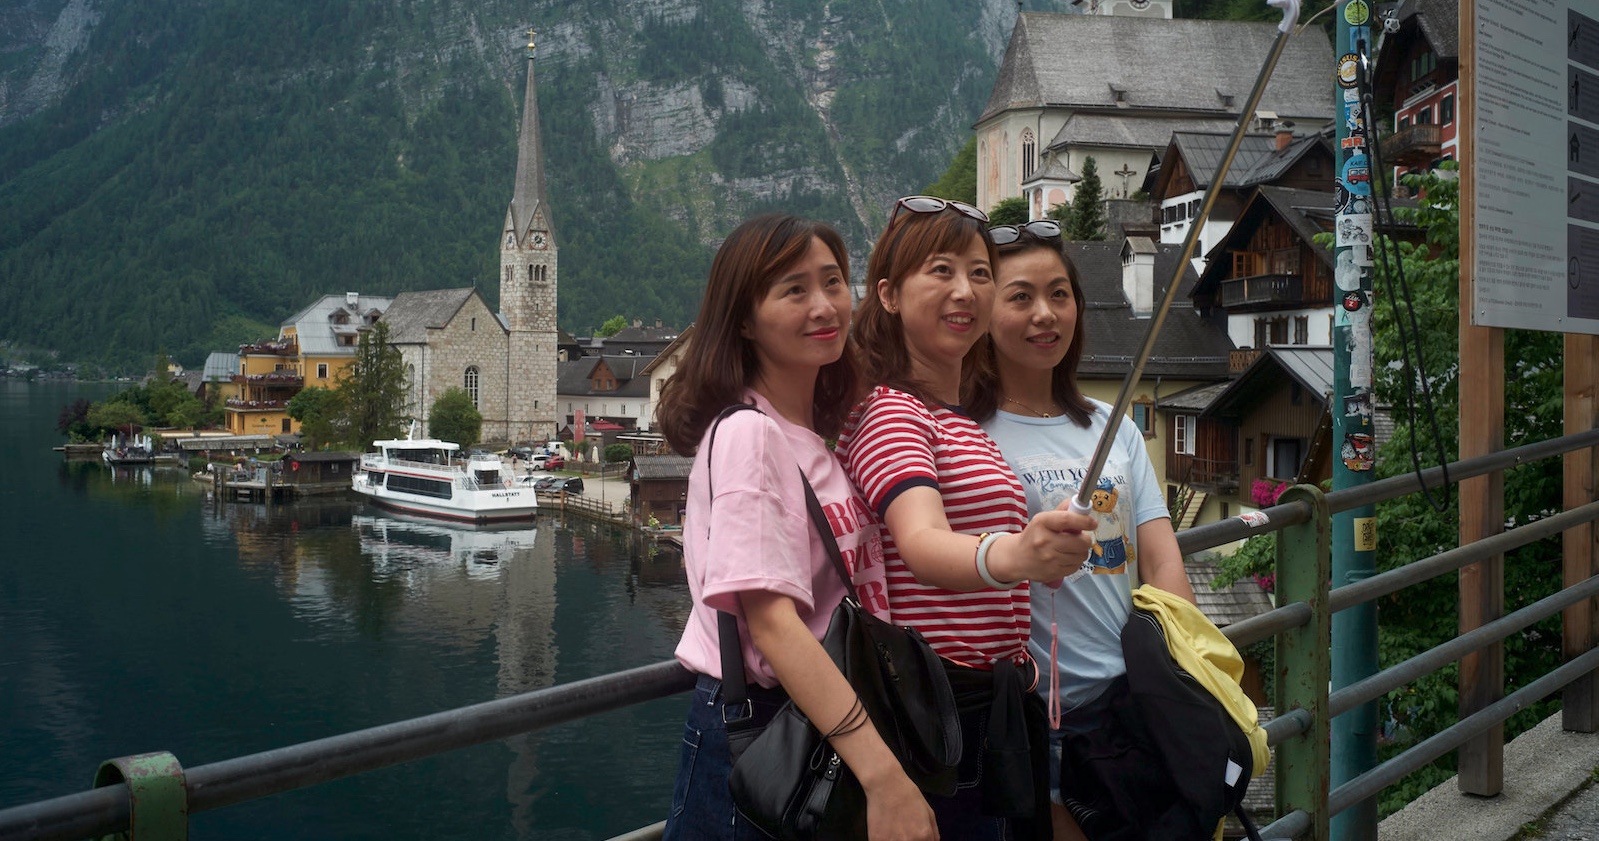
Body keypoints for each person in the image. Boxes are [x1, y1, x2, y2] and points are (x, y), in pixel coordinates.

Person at [658, 213, 938, 841]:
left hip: (818, 722)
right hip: (773, 729)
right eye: (793, 289)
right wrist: (883, 776)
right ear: (743, 320)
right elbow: (774, 625)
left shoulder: (807, 438)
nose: (824, 306)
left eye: (833, 282)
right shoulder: (750, 436)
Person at [835, 197, 1097, 840]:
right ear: (889, 294)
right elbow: (921, 542)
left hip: (987, 706)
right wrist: (1015, 555)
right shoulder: (894, 412)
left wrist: (1045, 548)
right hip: (939, 713)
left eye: (980, 274)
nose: (966, 291)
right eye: (942, 271)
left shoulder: (959, 422)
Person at [968, 220, 1198, 841]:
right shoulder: (965, 434)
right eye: (1020, 297)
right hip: (1039, 712)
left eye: (1059, 294)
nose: (1045, 314)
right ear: (985, 313)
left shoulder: (1112, 423)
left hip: (1131, 697)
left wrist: (1182, 675)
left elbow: (1161, 556)